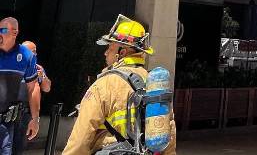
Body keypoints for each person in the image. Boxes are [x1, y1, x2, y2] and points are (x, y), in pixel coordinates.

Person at [63, 15, 176, 155]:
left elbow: (79, 141)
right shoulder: (156, 85)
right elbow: (168, 133)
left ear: (121, 53)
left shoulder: (104, 85)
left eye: (110, 48)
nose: (105, 53)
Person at [0, 17, 39, 155]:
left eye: (3, 30)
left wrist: (35, 118)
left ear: (15, 33)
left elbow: (33, 88)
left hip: (7, 123)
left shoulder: (26, 56)